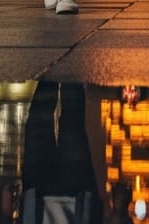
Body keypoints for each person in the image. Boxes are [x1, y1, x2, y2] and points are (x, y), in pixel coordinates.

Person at [19, 82, 102, 223]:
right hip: (76, 196)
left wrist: (6, 215)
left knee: (40, 122)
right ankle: (69, 73)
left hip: (39, 196)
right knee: (71, 125)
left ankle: (53, 72)